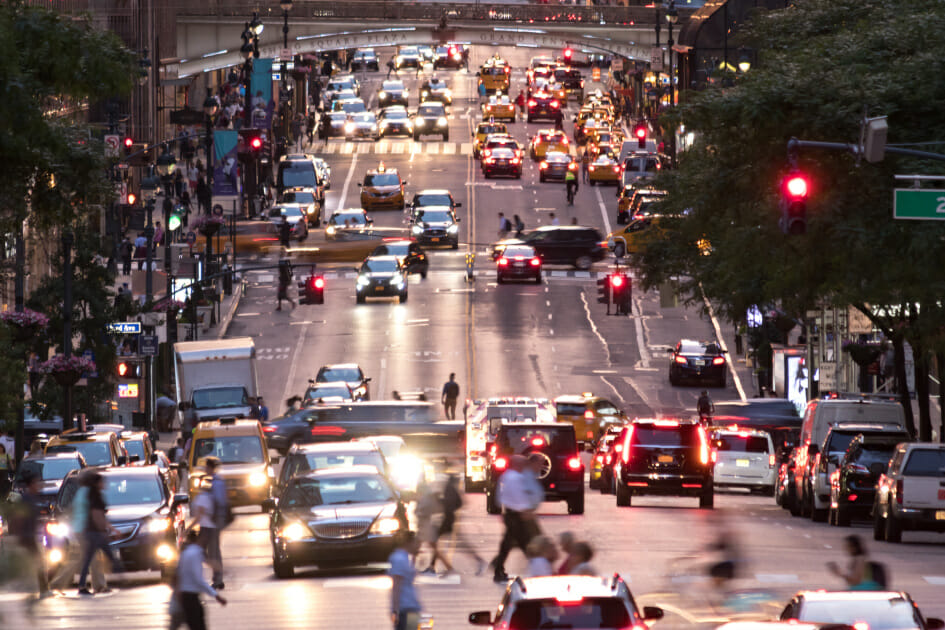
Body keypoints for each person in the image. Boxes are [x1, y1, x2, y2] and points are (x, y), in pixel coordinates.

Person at [50, 469, 108, 593]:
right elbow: (92, 512)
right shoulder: (89, 493)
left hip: (80, 529)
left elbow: (74, 510)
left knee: (87, 558)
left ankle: (98, 585)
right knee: (86, 558)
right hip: (84, 530)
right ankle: (97, 585)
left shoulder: (82, 492)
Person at [491, 455, 543, 582]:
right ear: (516, 464)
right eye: (522, 464)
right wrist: (526, 511)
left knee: (508, 543)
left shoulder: (506, 476)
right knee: (526, 543)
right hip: (517, 515)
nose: (524, 466)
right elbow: (519, 497)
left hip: (510, 513)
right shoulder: (516, 478)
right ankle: (539, 570)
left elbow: (499, 495)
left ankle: (498, 568)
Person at [77, 471, 122, 595]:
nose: (104, 484)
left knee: (88, 560)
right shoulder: (95, 496)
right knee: (109, 556)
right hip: (95, 533)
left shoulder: (91, 494)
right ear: (97, 483)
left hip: (90, 532)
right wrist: (106, 530)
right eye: (102, 482)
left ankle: (82, 585)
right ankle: (121, 577)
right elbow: (97, 516)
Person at [176, 528, 227, 630]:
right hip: (191, 598)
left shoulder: (186, 553)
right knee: (198, 625)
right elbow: (198, 580)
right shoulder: (195, 553)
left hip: (185, 596)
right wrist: (216, 596)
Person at [435, 473, 486, 575]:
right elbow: (460, 503)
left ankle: (478, 560)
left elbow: (454, 503)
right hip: (450, 519)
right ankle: (478, 560)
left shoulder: (449, 489)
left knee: (434, 541)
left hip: (448, 520)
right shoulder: (452, 489)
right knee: (458, 543)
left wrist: (442, 503)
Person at [389, 532, 422, 630]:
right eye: (416, 543)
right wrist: (395, 610)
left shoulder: (405, 557)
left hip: (412, 605)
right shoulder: (399, 559)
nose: (418, 546)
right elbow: (396, 586)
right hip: (404, 608)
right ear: (409, 543)